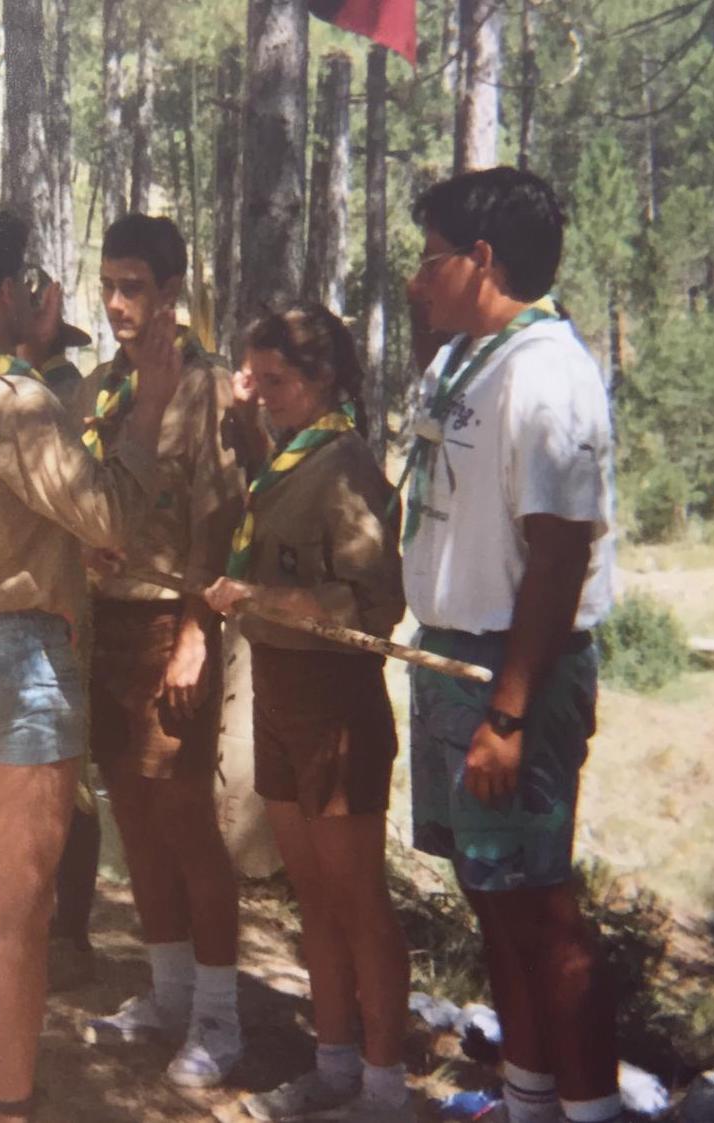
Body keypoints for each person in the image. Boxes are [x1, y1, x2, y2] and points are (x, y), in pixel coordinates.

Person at [0, 206, 182, 1123]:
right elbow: (111, 515)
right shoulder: (14, 400)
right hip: (15, 661)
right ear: (9, 290)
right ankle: (10, 1107)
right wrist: (153, 405)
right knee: (21, 905)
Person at [401, 167, 621, 1123]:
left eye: (433, 258)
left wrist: (510, 713)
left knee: (543, 910)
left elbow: (560, 554)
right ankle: (529, 1101)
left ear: (482, 259)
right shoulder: (470, 357)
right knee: (491, 896)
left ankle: (592, 1108)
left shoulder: (547, 374)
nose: (417, 277)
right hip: (455, 660)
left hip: (511, 673)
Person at [205, 305, 412, 1121]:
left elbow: (378, 601)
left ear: (324, 378)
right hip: (279, 687)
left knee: (357, 897)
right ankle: (332, 1067)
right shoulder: (288, 454)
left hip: (334, 698)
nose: (262, 394)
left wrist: (272, 597)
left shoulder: (346, 462)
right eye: (256, 378)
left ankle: (385, 1087)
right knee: (313, 892)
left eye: (278, 380)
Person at [77, 214, 246, 1088]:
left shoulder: (204, 384)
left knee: (186, 822)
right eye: (109, 285)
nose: (116, 303)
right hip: (105, 622)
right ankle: (169, 991)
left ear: (172, 291)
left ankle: (220, 1016)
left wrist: (194, 635)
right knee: (133, 818)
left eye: (133, 287)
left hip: (169, 622)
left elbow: (221, 518)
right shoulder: (107, 384)